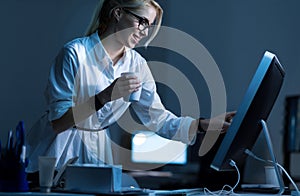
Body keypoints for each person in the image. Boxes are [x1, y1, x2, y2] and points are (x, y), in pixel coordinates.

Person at [26, 0, 235, 185]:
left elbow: (159, 120)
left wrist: (203, 124)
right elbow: (59, 122)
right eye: (142, 22)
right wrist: (104, 97)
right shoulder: (75, 54)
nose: (145, 32)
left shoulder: (137, 65)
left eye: (149, 26)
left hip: (95, 155)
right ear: (118, 13)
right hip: (54, 154)